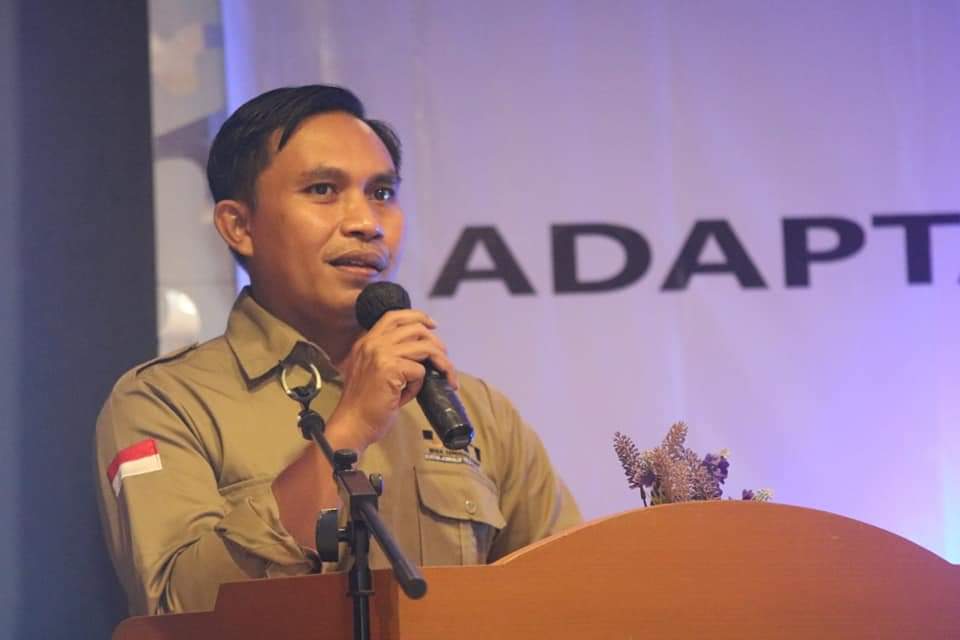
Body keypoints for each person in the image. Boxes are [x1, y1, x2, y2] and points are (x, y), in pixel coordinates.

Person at [95, 85, 581, 616]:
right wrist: (350, 426)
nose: (366, 222)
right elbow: (177, 609)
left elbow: (574, 598)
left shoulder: (477, 411)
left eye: (382, 192)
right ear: (239, 226)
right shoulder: (163, 402)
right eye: (323, 189)